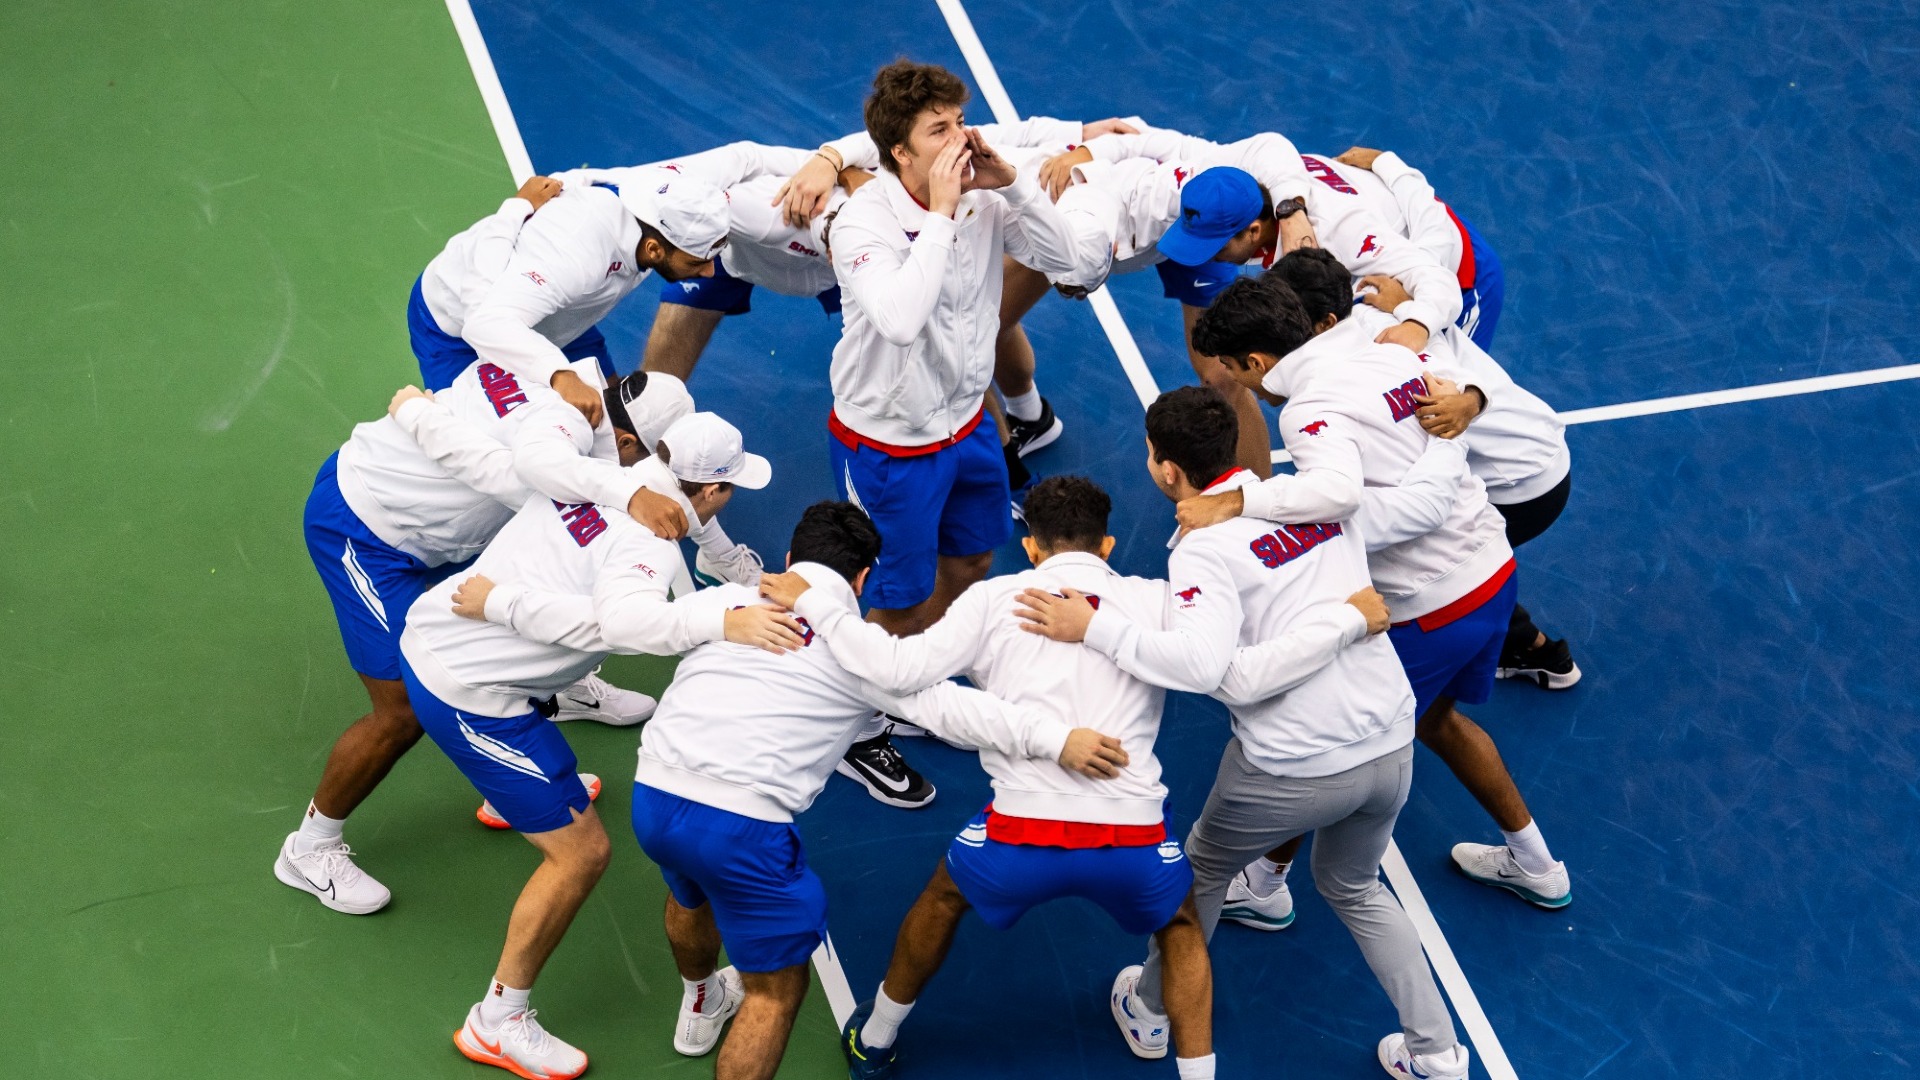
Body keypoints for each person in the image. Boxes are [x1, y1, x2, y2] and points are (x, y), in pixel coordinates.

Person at [1014, 387, 1474, 1080]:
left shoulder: (1204, 551)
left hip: (1292, 768)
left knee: (1194, 876)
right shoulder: (1316, 497)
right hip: (1388, 742)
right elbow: (1426, 503)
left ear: (1169, 471)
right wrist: (1460, 413)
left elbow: (1222, 676)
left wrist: (1096, 628)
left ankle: (1149, 1007)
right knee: (1355, 885)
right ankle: (1438, 1053)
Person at [630, 501, 1125, 1080]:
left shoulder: (720, 604)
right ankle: (717, 999)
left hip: (655, 796)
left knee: (691, 895)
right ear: (864, 579)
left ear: (790, 559)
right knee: (773, 993)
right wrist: (1058, 739)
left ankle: (701, 996)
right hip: (742, 827)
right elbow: (958, 710)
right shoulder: (862, 653)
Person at [762, 477, 1225, 1079]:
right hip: (1133, 836)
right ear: (1107, 546)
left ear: (1031, 548)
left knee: (942, 899)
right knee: (1182, 923)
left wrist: (818, 607)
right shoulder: (1157, 601)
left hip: (1019, 835)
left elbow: (898, 671)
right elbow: (1206, 662)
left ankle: (875, 1039)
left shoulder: (993, 598)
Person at [398, 411, 799, 1079]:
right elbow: (628, 622)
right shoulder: (648, 543)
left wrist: (740, 582)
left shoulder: (607, 477)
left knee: (565, 792)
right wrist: (722, 619)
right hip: (470, 691)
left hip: (445, 633)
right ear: (709, 491)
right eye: (727, 489)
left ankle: (517, 794)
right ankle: (497, 1020)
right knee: (581, 854)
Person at [1182, 275, 1572, 910]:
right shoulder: (1392, 353)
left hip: (1435, 603)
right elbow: (1464, 392)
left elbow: (1340, 496)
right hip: (1495, 573)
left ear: (1256, 362)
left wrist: (1243, 500)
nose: (1235, 383)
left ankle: (1264, 885)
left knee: (1326, 748)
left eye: (1232, 370)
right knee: (1439, 719)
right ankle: (1536, 864)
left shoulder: (1310, 412)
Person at [275, 358, 693, 915]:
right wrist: (419, 412)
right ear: (624, 440)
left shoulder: (559, 375)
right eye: (654, 458)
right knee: (402, 707)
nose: (653, 474)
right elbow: (502, 472)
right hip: (366, 533)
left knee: (545, 557)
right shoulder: (561, 450)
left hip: (435, 524)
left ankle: (546, 701)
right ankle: (310, 848)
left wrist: (421, 410)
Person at [825, 59, 1078, 638]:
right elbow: (899, 321)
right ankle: (878, 695)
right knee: (899, 597)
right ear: (900, 153)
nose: (961, 140)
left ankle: (912, 664)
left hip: (968, 425)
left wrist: (1014, 185)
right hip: (888, 443)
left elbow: (1071, 264)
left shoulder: (982, 200)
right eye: (938, 131)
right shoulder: (861, 222)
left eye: (960, 122)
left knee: (973, 560)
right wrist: (941, 212)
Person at [1283, 252, 1579, 689]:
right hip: (1540, 452)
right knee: (1453, 557)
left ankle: (1509, 649)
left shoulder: (1385, 348)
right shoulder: (1380, 319)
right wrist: (1412, 309)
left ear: (1322, 323)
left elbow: (1457, 387)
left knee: (1422, 561)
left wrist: (1471, 400)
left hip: (1521, 480)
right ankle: (1532, 648)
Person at [408, 161, 729, 425]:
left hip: (557, 311)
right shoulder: (577, 258)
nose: (710, 271)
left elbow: (743, 157)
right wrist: (560, 375)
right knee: (483, 444)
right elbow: (484, 324)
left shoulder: (658, 193)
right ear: (654, 249)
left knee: (616, 416)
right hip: (454, 329)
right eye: (697, 262)